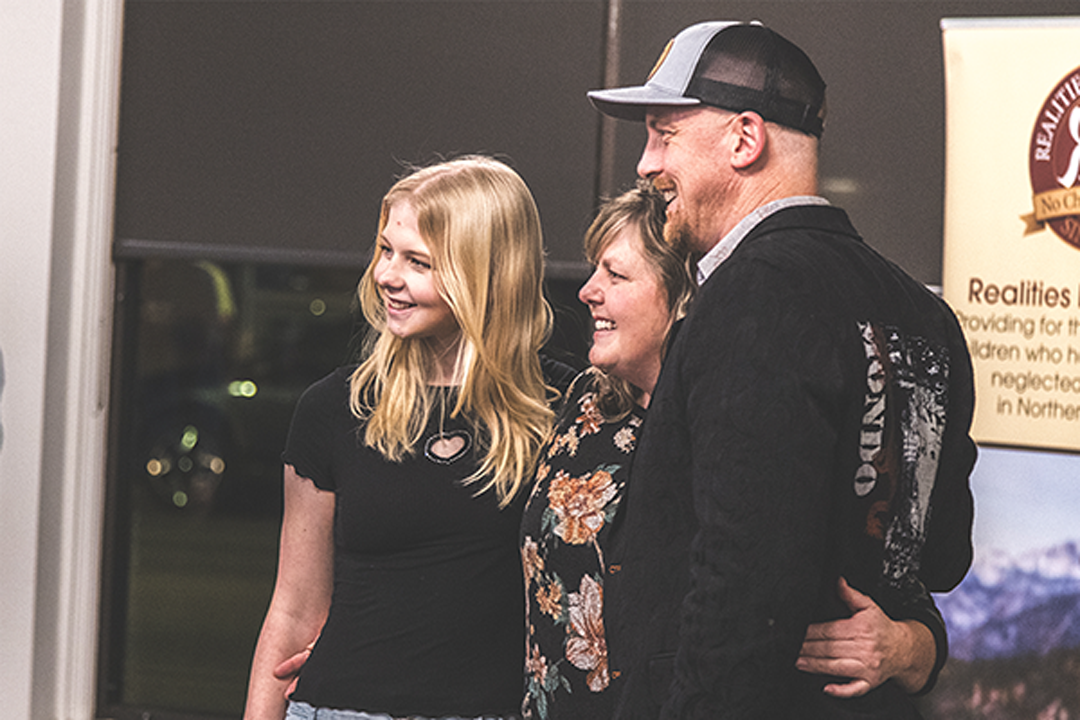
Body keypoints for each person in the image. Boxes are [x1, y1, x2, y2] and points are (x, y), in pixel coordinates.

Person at [586, 21, 977, 719]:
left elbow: (741, 581)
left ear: (745, 139)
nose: (645, 164)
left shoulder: (752, 293)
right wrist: (917, 641)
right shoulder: (926, 315)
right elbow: (943, 554)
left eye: (664, 135)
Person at [519, 182, 957, 720]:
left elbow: (876, 577)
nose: (588, 291)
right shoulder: (585, 403)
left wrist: (914, 647)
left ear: (683, 298)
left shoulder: (744, 421)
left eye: (616, 275)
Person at [243, 155, 576, 720]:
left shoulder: (564, 410)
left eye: (418, 261)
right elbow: (294, 608)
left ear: (485, 273)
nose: (387, 276)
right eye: (385, 251)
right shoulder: (335, 407)